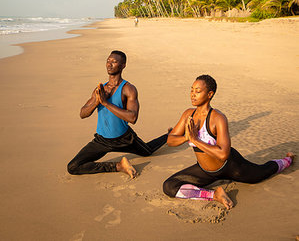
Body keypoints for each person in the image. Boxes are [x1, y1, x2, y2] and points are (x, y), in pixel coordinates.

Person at [163, 74, 294, 209]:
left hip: (230, 166)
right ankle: (214, 195)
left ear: (210, 94)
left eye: (198, 91)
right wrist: (186, 137)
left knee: (261, 173)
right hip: (205, 171)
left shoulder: (218, 118)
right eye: (191, 90)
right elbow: (170, 140)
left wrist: (195, 140)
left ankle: (286, 161)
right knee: (169, 186)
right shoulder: (188, 115)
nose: (193, 95)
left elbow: (223, 154)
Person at [67, 50, 168, 178]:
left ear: (123, 65)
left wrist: (106, 103)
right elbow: (82, 113)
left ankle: (170, 134)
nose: (109, 64)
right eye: (108, 61)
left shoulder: (128, 89)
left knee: (148, 151)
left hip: (124, 139)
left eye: (114, 62)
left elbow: (132, 117)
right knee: (73, 167)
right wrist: (96, 102)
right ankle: (119, 166)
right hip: (102, 140)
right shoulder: (100, 89)